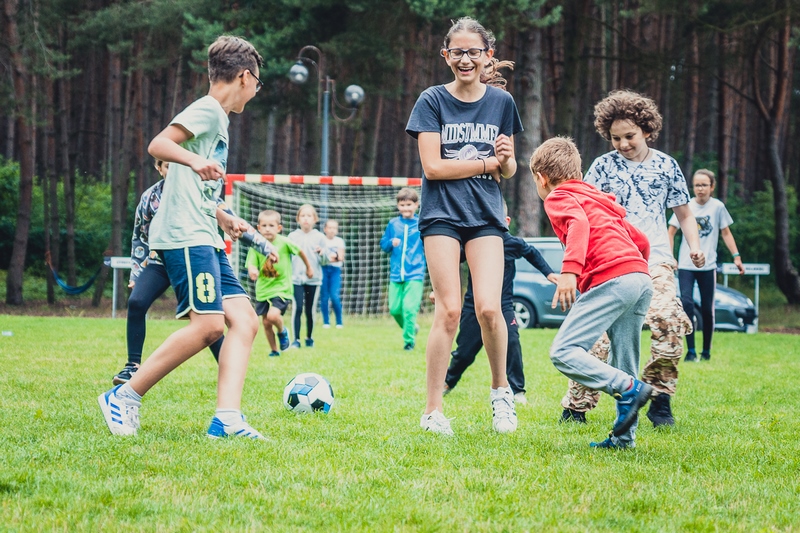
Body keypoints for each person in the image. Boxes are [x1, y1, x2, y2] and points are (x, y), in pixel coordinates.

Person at [98, 35, 274, 439]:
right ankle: (124, 396)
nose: (256, 90)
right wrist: (196, 159)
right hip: (185, 235)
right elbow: (158, 144)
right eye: (258, 82)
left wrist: (222, 216)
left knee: (244, 321)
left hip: (205, 232)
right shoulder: (209, 109)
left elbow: (191, 186)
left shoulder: (218, 118)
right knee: (209, 327)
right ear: (245, 77)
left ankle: (226, 419)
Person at [560, 89, 705, 429]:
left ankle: (659, 396)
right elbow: (584, 215)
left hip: (655, 260)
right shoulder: (602, 167)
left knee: (669, 322)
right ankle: (576, 406)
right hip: (610, 262)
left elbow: (684, 215)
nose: (623, 144)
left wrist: (694, 246)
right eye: (615, 138)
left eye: (630, 136)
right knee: (596, 337)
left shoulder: (667, 166)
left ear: (647, 130)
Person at [405, 16, 523, 435]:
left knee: (491, 309)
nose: (466, 59)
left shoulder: (502, 104)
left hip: (486, 215)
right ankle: (433, 412)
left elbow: (507, 170)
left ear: (487, 55)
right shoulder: (432, 100)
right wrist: (491, 162)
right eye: (458, 52)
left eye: (474, 51)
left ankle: (501, 394)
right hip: (441, 216)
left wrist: (506, 159)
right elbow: (433, 167)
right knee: (450, 309)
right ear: (446, 56)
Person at [533, 136, 655, 449]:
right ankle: (624, 439)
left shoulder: (557, 197)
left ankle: (625, 389)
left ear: (540, 178)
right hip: (639, 277)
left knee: (563, 352)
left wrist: (569, 272)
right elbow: (640, 239)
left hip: (612, 278)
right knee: (625, 358)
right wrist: (635, 269)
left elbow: (578, 226)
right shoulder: (598, 199)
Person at [112, 159, 273, 384]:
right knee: (137, 302)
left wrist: (265, 246)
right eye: (168, 167)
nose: (174, 171)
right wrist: (137, 272)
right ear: (159, 169)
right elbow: (140, 235)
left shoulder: (200, 193)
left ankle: (228, 370)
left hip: (194, 261)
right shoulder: (150, 198)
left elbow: (235, 223)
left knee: (207, 319)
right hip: (160, 261)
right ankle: (132, 366)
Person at [442, 207, 559, 405]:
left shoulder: (512, 243)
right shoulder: (472, 244)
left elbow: (532, 253)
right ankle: (448, 383)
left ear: (505, 220)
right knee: (465, 352)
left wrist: (549, 273)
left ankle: (517, 390)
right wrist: (441, 290)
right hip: (473, 306)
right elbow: (452, 261)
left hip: (503, 305)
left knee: (511, 342)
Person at [668, 169, 744, 361]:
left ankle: (706, 352)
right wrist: (671, 256)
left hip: (708, 266)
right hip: (686, 265)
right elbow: (671, 231)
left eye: (704, 185)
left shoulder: (717, 207)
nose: (700, 189)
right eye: (696, 185)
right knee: (686, 304)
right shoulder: (686, 206)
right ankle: (691, 351)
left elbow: (726, 233)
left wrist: (736, 256)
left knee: (707, 310)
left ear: (712, 187)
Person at [247, 210, 312, 357]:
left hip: (282, 288)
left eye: (271, 225)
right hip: (263, 290)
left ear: (279, 228)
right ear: (258, 228)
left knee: (273, 316)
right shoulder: (256, 245)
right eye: (264, 225)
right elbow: (251, 263)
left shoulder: (284, 242)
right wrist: (253, 271)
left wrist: (309, 267)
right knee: (266, 323)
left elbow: (300, 251)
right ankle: (274, 350)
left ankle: (283, 331)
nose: (267, 229)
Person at [379, 188, 426, 351]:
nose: (406, 208)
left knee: (409, 309)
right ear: (398, 206)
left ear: (416, 205)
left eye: (409, 205)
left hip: (415, 273)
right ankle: (412, 328)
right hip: (396, 274)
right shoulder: (393, 224)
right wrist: (390, 242)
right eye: (402, 205)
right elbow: (383, 245)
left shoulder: (421, 224)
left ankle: (409, 342)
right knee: (394, 309)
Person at [287, 204, 326, 349]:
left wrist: (322, 253)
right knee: (297, 308)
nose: (306, 219)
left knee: (310, 310)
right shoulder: (292, 236)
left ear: (314, 219)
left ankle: (309, 338)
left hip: (314, 280)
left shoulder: (320, 237)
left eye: (309, 216)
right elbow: (288, 257)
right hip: (296, 279)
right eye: (303, 216)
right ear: (298, 219)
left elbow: (325, 259)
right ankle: (295, 340)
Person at [320, 219, 346, 329]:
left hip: (335, 271)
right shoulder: (321, 240)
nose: (332, 230)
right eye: (329, 227)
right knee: (324, 296)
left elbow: (340, 258)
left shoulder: (339, 241)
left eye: (334, 228)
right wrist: (332, 257)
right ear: (325, 229)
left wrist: (329, 258)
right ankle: (326, 322)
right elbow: (320, 259)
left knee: (335, 296)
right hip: (323, 270)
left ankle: (339, 322)